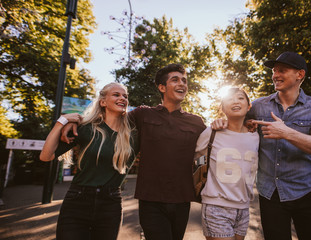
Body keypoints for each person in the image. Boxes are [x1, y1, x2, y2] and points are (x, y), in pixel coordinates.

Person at [61, 64, 206, 240]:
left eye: (184, 80)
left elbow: (217, 140)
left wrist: (244, 124)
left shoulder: (196, 122)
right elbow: (111, 120)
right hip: (151, 200)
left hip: (182, 199)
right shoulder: (143, 115)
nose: (182, 83)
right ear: (162, 87)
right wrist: (75, 120)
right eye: (175, 80)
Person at [212, 52, 311, 240]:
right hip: (270, 195)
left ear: (299, 74)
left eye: (282, 70)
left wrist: (286, 133)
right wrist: (220, 122)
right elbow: (235, 120)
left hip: (306, 192)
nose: (275, 75)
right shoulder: (259, 106)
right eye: (274, 71)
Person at [40, 82, 137, 240]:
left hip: (110, 204)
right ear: (103, 102)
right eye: (116, 95)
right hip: (77, 201)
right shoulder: (86, 129)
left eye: (125, 96)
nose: (123, 98)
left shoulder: (133, 135)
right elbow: (46, 156)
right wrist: (62, 122)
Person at [195, 87, 259, 240]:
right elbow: (196, 160)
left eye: (240, 98)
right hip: (216, 206)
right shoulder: (212, 132)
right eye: (229, 99)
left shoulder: (256, 135)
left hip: (243, 207)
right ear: (222, 108)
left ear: (249, 106)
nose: (235, 101)